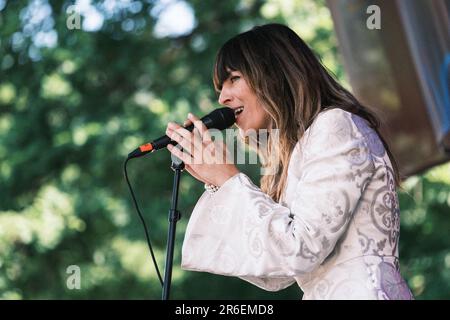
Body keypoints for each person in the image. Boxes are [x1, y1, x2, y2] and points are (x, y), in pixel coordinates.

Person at [164, 23, 413, 300]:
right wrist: (218, 185)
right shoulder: (296, 150)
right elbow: (277, 273)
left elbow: (301, 249)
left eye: (233, 78)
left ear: (275, 74)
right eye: (220, 87)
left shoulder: (336, 126)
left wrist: (229, 180)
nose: (223, 97)